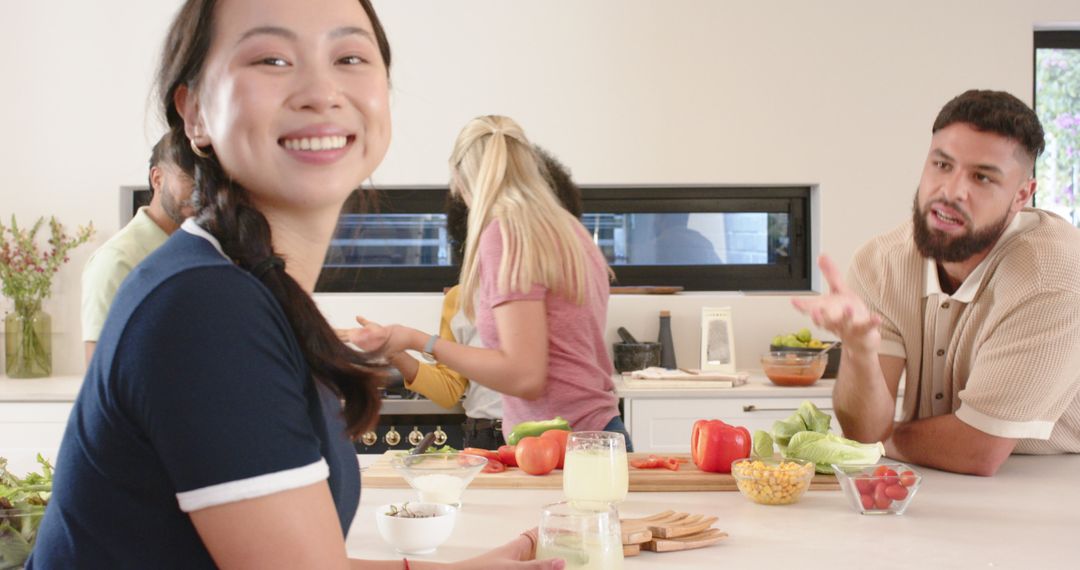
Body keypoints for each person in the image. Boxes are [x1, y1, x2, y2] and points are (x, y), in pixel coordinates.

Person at [30, 1, 561, 569]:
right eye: (272, 58)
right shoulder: (205, 310)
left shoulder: (240, 285)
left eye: (350, 56)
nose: (321, 90)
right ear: (196, 115)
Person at [793, 89, 1080, 477]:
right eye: (942, 165)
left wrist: (882, 438)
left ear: (1021, 196)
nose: (951, 191)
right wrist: (860, 351)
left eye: (982, 177)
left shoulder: (1054, 276)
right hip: (933, 475)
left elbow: (978, 450)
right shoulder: (881, 263)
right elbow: (862, 431)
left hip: (1054, 483)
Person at [348, 116, 630, 450]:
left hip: (558, 447)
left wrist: (416, 339)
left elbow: (525, 376)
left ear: (459, 181)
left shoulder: (507, 234)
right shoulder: (569, 231)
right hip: (594, 436)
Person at [388, 147, 584, 449]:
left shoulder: (559, 291)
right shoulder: (459, 299)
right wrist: (395, 353)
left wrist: (417, 340)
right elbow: (450, 388)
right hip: (482, 437)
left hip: (546, 435)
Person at [80, 133, 195, 364]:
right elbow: (101, 371)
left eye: (206, 180)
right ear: (157, 179)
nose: (199, 190)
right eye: (188, 177)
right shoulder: (116, 261)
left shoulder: (206, 253)